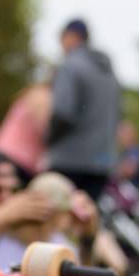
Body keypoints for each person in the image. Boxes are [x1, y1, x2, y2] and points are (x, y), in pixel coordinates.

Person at [47, 19, 122, 202]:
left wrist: (47, 140)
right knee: (87, 220)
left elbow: (64, 112)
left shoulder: (70, 65)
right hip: (102, 162)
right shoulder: (109, 73)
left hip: (69, 161)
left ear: (71, 37)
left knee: (60, 223)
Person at [0, 171, 99, 271]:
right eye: (67, 212)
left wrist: (87, 237)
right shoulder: (61, 246)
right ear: (57, 213)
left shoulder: (2, 236)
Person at [0, 73, 53, 185]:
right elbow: (48, 131)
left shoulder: (34, 93)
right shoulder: (42, 96)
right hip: (16, 158)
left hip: (6, 153)